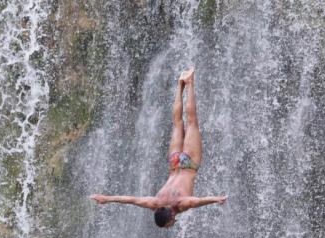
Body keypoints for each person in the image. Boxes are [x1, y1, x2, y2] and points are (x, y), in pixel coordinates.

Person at [90, 68, 227, 228]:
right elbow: (131, 200)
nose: (172, 225)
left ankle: (189, 83)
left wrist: (216, 199)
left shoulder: (181, 204)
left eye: (170, 224)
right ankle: (180, 84)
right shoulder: (155, 203)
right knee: (177, 124)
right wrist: (106, 199)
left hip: (188, 165)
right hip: (174, 162)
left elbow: (197, 201)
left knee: (192, 122)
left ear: (171, 215)